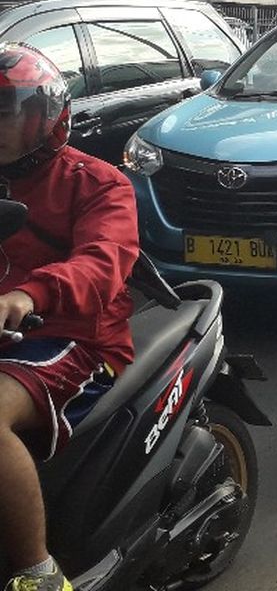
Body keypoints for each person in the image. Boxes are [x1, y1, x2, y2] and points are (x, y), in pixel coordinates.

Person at [0, 44, 139, 591]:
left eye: (7, 112)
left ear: (44, 116)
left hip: (73, 337)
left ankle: (39, 573)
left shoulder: (98, 182)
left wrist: (30, 295)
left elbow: (103, 265)